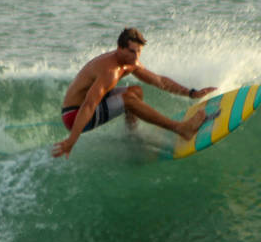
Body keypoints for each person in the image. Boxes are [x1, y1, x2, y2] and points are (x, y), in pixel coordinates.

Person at [52, 28, 216, 159]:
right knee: (128, 99)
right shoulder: (110, 71)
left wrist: (191, 93)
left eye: (139, 51)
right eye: (132, 51)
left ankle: (132, 134)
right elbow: (88, 105)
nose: (136, 56)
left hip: (87, 107)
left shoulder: (129, 62)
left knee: (136, 91)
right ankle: (181, 129)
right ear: (120, 48)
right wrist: (71, 141)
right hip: (75, 116)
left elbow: (159, 80)